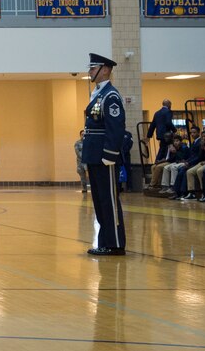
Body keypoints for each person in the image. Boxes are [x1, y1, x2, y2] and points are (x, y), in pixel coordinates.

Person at [81, 53, 126, 256]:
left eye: (93, 68)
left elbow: (115, 128)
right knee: (100, 201)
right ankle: (105, 242)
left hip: (104, 157)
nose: (90, 71)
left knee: (109, 200)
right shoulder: (98, 94)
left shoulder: (111, 96)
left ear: (105, 70)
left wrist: (110, 155)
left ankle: (115, 243)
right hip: (94, 155)